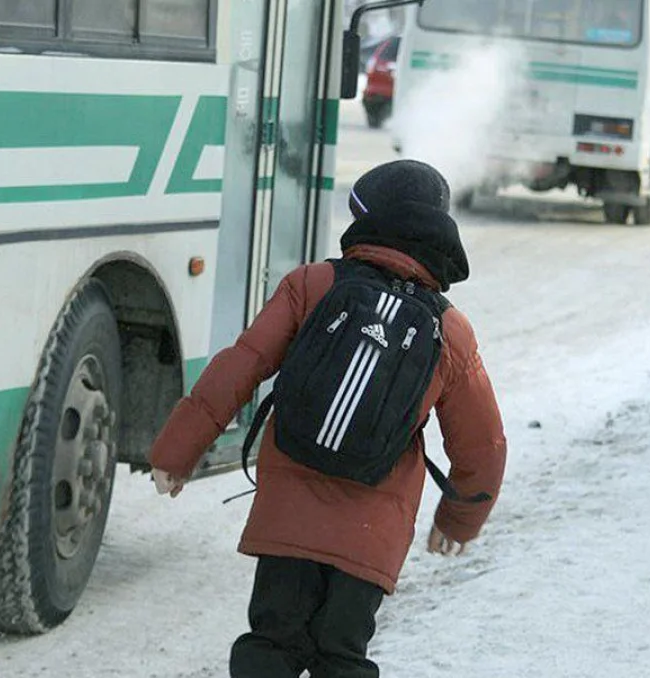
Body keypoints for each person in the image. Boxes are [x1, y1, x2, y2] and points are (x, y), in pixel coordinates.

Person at [147, 159, 508, 677]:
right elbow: (483, 445)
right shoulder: (449, 331)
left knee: (272, 643)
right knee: (340, 655)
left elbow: (240, 364)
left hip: (287, 515)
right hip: (372, 533)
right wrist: (459, 519)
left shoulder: (313, 284)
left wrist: (177, 452)